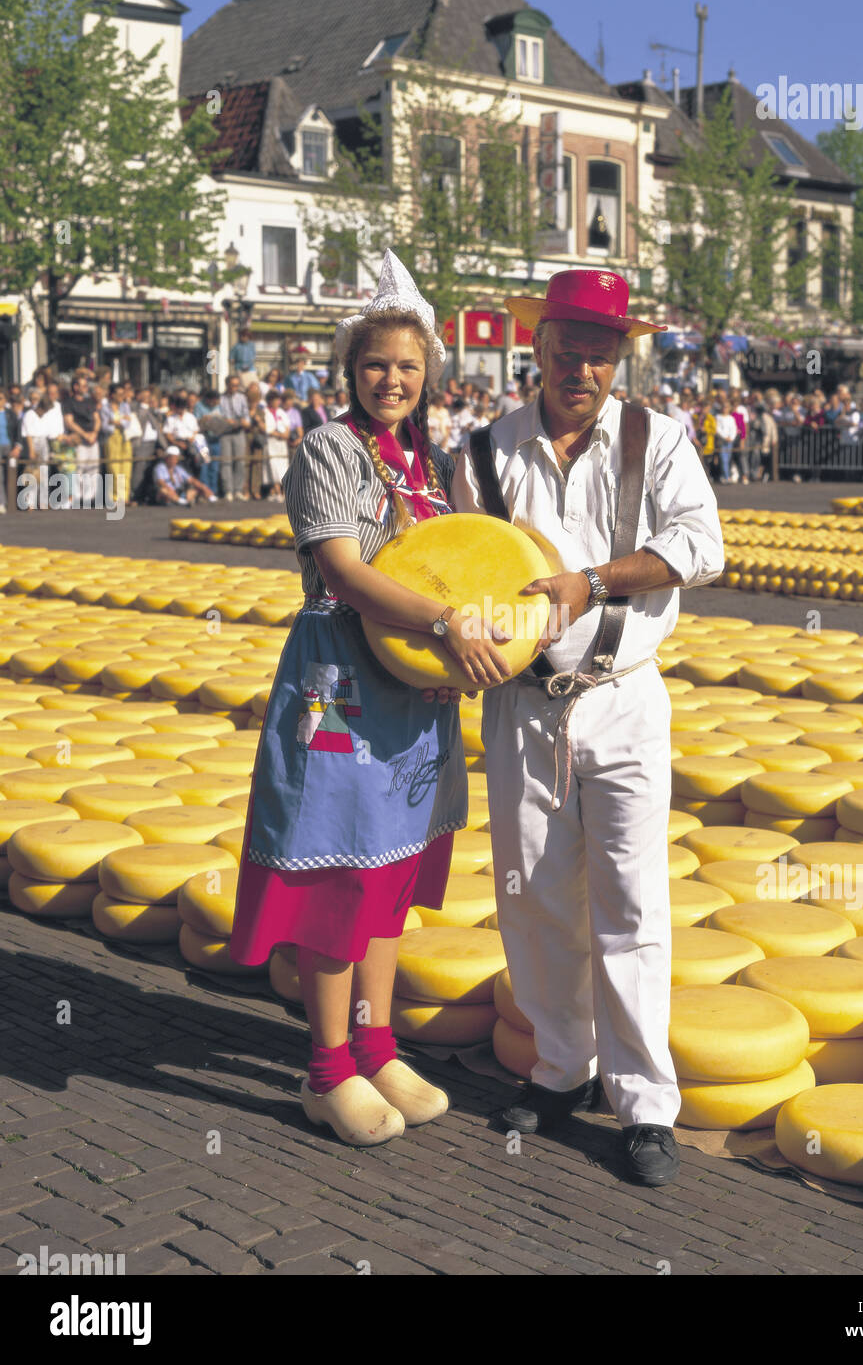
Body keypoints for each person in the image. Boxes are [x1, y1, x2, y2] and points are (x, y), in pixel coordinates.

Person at [228, 249, 510, 1147]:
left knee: (390, 871)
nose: (393, 379)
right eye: (377, 364)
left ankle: (377, 1043)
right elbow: (345, 571)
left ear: (430, 375)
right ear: (351, 369)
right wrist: (449, 619)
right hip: (340, 684)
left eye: (409, 366)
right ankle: (324, 1069)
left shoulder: (428, 460)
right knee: (336, 870)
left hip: (413, 690)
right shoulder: (328, 447)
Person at [450, 269, 724, 1187]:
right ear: (536, 348)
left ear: (621, 357)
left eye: (600, 356)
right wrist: (464, 636)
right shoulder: (486, 453)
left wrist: (593, 582)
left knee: (632, 902)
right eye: (567, 352)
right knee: (532, 896)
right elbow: (461, 573)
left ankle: (646, 1101)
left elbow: (702, 545)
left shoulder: (659, 438)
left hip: (624, 694)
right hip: (525, 704)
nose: (582, 370)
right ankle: (563, 1067)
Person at [62, 372, 101, 505]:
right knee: (79, 468)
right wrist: (85, 435)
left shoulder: (90, 401)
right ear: (75, 386)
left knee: (93, 468)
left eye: (86, 385)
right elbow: (69, 422)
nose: (85, 387)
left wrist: (94, 433)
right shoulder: (68, 402)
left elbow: (97, 418)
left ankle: (89, 498)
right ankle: (77, 497)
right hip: (79, 439)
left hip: (93, 439)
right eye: (82, 385)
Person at [217, 374, 253, 502]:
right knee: (226, 461)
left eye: (237, 385)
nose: (235, 388)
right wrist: (227, 421)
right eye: (233, 385)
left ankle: (238, 490)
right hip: (226, 432)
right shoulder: (220, 398)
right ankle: (228, 490)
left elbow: (246, 413)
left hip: (239, 431)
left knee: (240, 461)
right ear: (227, 385)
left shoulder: (242, 397)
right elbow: (218, 415)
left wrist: (246, 421)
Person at [260, 389, 291, 500]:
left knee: (283, 467)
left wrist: (284, 435)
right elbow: (264, 427)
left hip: (282, 444)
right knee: (273, 467)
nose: (277, 402)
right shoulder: (264, 412)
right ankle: (277, 492)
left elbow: (287, 427)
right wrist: (276, 434)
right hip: (271, 443)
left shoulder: (281, 412)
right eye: (275, 400)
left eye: (278, 400)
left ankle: (282, 492)